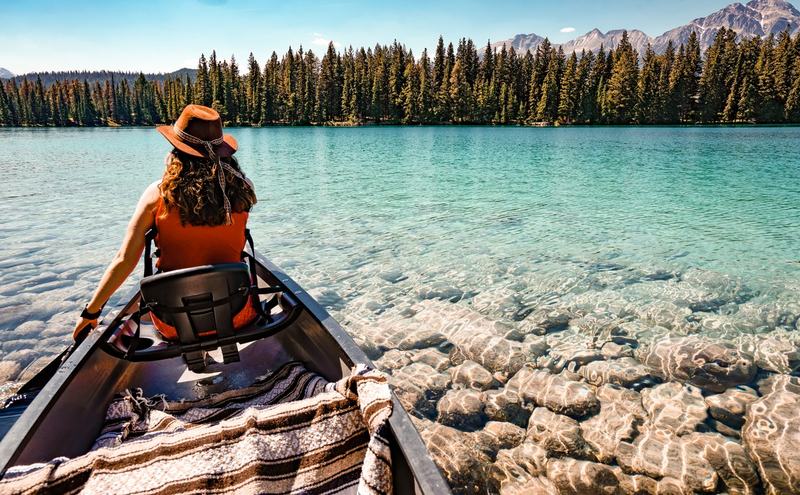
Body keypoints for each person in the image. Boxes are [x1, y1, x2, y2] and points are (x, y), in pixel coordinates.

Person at [73, 104, 258, 341]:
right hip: (235, 315)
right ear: (222, 150)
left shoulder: (157, 194)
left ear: (177, 149)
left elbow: (124, 260)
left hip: (174, 323)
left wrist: (91, 311)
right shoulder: (244, 187)